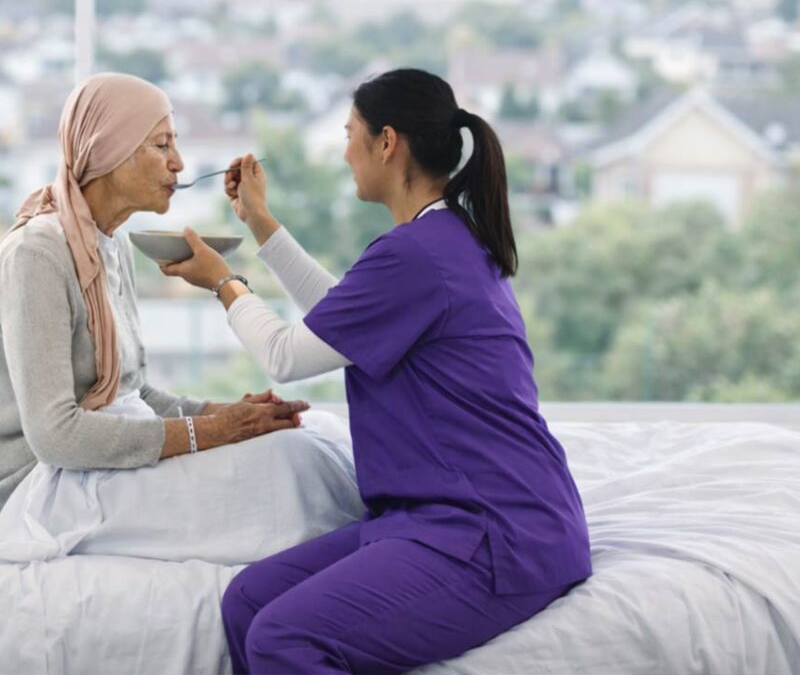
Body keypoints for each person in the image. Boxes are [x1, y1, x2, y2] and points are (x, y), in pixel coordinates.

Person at [164, 68, 593, 674]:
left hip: (497, 533)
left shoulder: (416, 253)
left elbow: (287, 355)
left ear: (387, 142)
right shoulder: (441, 238)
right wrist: (259, 221)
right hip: (434, 518)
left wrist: (223, 283)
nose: (345, 153)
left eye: (350, 135)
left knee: (284, 638)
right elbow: (342, 318)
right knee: (247, 602)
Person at [0, 72, 363, 563]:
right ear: (108, 150)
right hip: (41, 488)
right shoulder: (37, 254)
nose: (179, 162)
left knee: (311, 434)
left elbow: (135, 395)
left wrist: (226, 413)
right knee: (287, 470)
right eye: (162, 144)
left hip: (97, 467)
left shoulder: (109, 245)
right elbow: (55, 436)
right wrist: (212, 431)